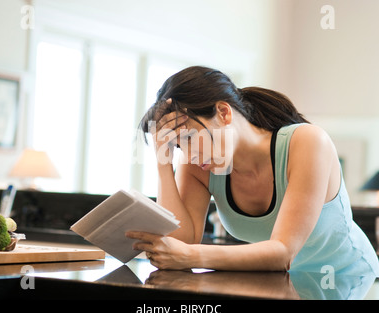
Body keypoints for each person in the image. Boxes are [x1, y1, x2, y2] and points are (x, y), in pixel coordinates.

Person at [126, 66, 379, 276]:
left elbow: (282, 253)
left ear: (223, 112)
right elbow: (181, 242)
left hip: (349, 280)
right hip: (278, 284)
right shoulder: (198, 164)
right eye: (178, 145)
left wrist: (190, 256)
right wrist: (163, 164)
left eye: (190, 137)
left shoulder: (307, 143)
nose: (189, 154)